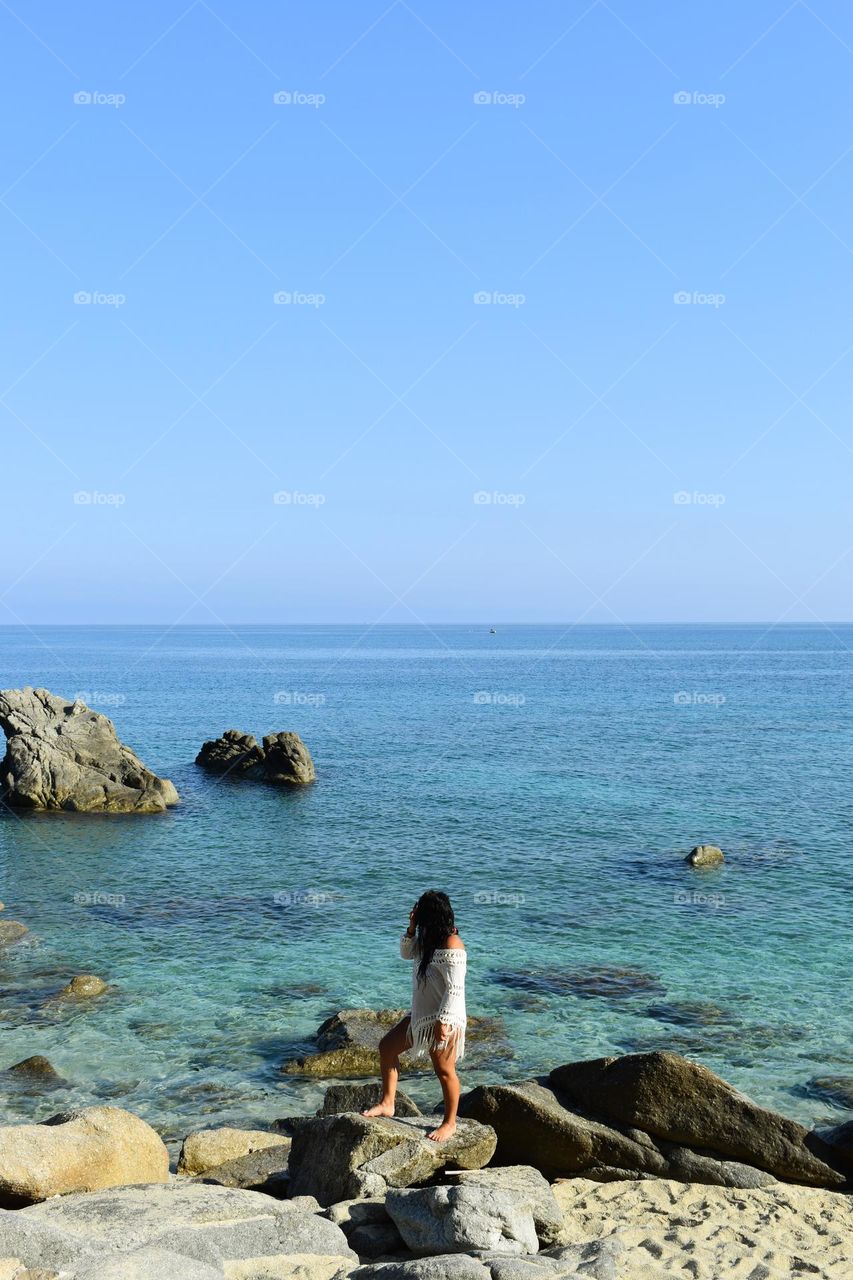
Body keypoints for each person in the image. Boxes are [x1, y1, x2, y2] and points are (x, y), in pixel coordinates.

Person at [362, 890, 466, 1141]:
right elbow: (406, 953)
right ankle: (388, 1103)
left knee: (443, 1070)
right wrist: (410, 929)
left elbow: (455, 989)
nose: (415, 914)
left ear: (432, 915)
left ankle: (449, 1123)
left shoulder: (452, 945)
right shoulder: (428, 939)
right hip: (421, 1016)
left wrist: (444, 1021)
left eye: (419, 911)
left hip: (446, 1018)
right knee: (387, 1047)